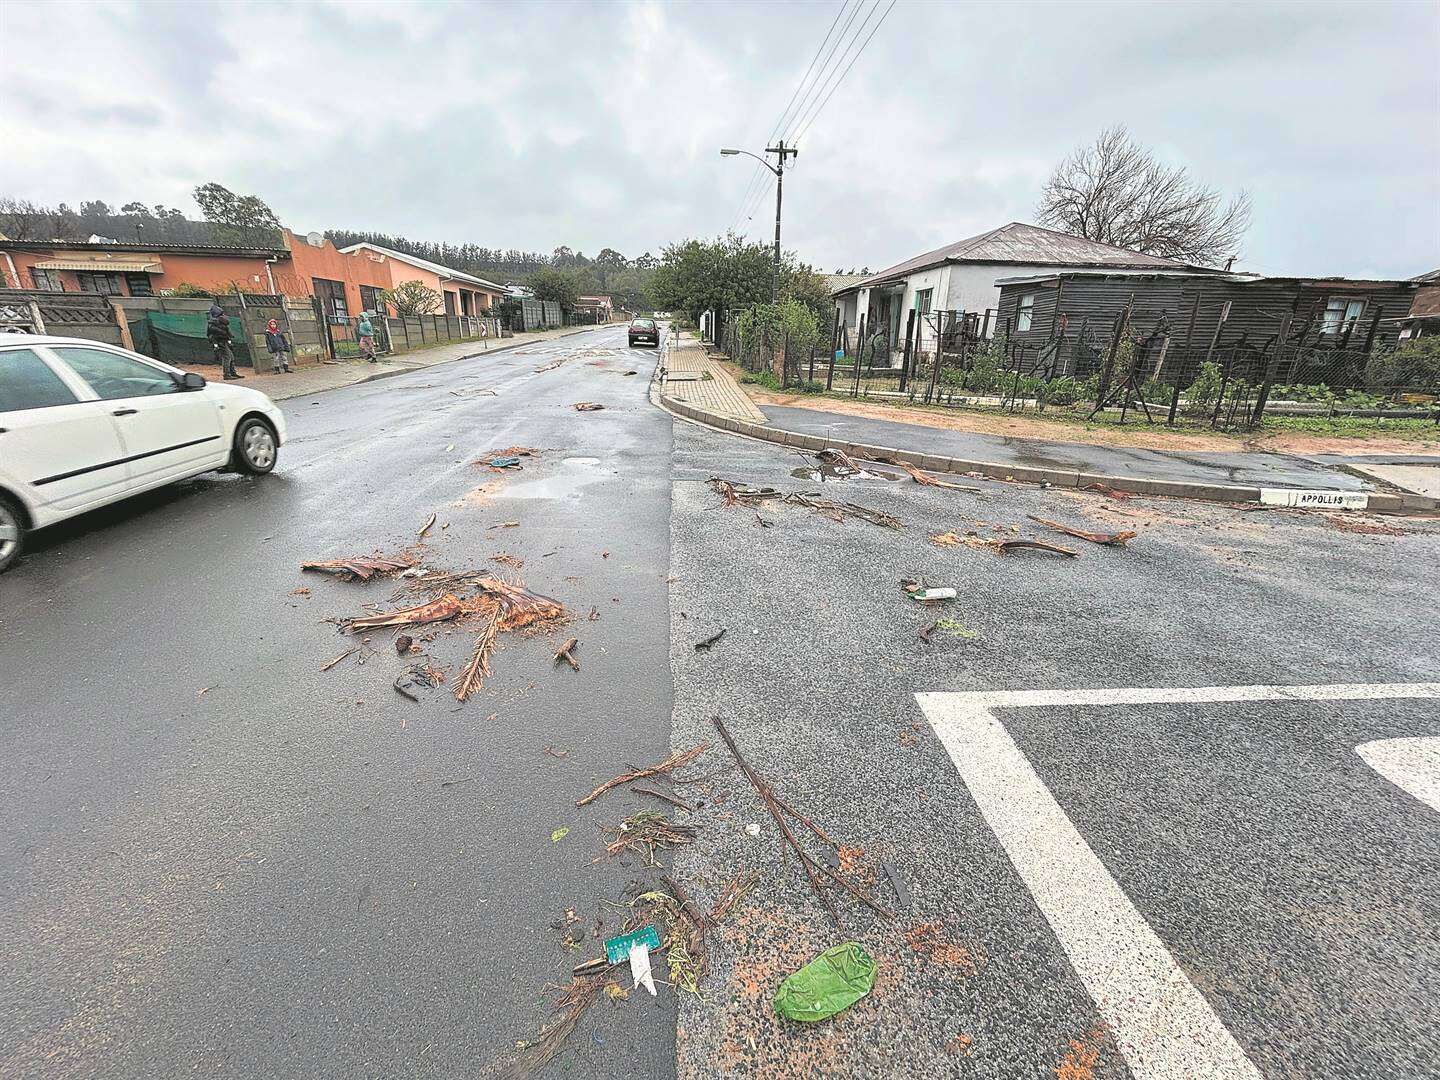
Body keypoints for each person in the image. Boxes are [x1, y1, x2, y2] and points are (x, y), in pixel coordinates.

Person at [206, 302, 238, 380]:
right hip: (220, 342)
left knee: (231, 357)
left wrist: (229, 339)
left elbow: (227, 332)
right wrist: (215, 345)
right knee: (227, 357)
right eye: (221, 314)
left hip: (224, 341)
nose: (224, 315)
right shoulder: (213, 324)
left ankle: (232, 373)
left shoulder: (221, 322)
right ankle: (227, 374)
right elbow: (212, 335)